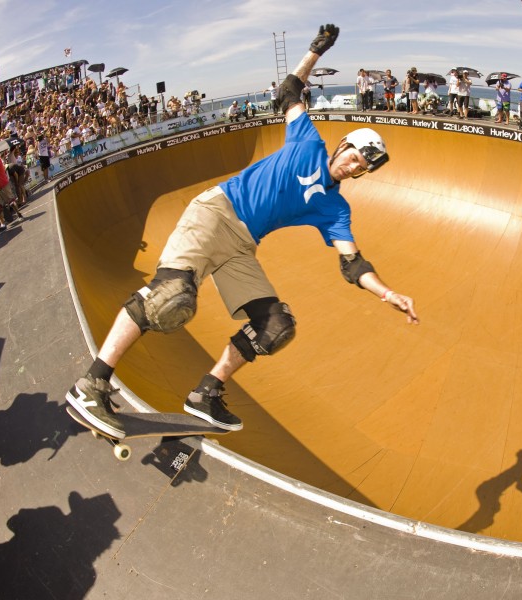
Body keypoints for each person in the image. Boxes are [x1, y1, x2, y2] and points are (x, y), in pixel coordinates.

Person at [65, 24, 420, 440]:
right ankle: (91, 385)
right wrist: (314, 52)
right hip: (216, 213)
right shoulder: (307, 140)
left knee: (275, 326)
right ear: (342, 146)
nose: (354, 166)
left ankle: (206, 393)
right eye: (355, 156)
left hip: (242, 246)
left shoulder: (335, 208)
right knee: (170, 298)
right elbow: (289, 91)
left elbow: (352, 262)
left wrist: (386, 292)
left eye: (362, 167)